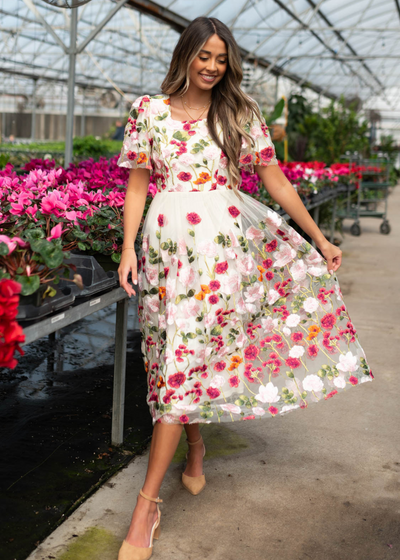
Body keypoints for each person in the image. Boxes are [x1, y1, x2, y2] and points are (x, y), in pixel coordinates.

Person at [116, 16, 373, 560]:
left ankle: (145, 509)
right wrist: (125, 249)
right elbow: (138, 182)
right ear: (186, 54)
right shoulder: (149, 111)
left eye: (221, 58)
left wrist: (320, 238)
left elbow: (273, 178)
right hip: (166, 252)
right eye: (203, 56)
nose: (212, 67)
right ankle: (195, 441)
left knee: (193, 361)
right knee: (168, 363)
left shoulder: (240, 113)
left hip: (223, 252)